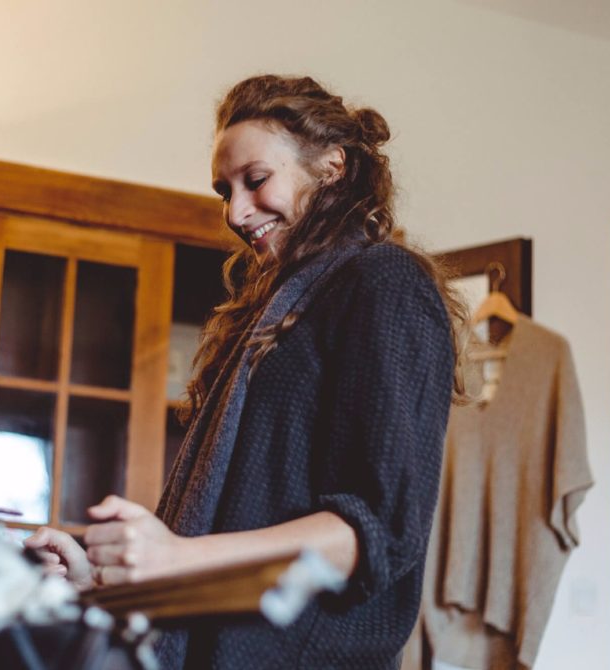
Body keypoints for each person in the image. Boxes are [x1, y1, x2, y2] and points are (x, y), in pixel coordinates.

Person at [25, 74, 465, 669]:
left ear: (332, 166)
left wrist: (171, 557)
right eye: (224, 191)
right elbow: (231, 529)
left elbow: (376, 532)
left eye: (256, 181)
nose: (235, 211)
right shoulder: (269, 314)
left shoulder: (384, 283)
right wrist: (101, 580)